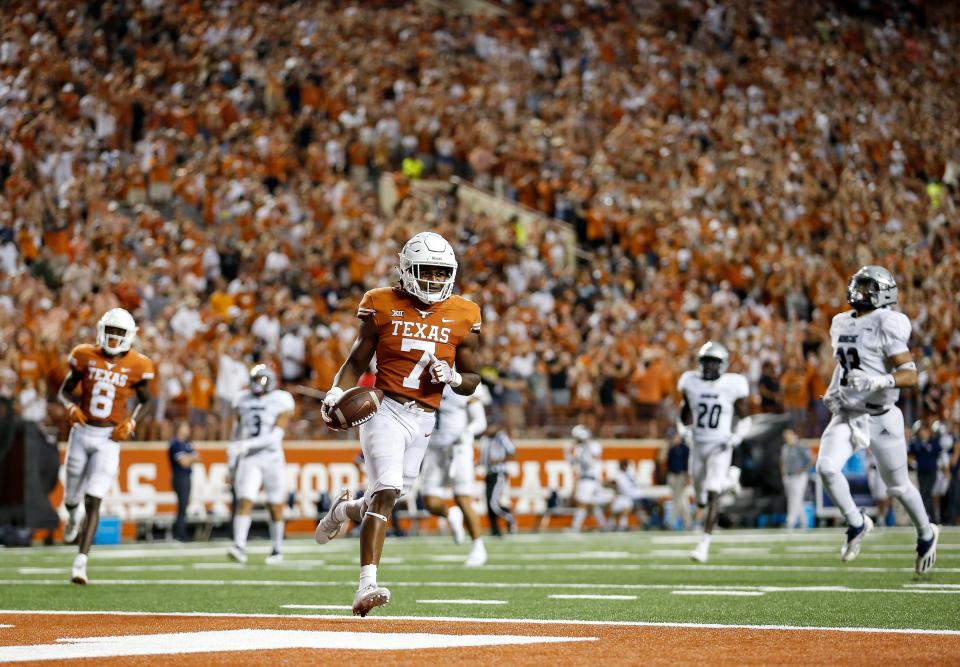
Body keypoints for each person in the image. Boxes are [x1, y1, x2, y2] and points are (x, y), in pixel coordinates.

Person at [314, 232, 482, 617]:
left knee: (383, 500)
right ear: (407, 270)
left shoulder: (464, 313)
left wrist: (454, 378)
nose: (434, 281)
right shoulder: (382, 302)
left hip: (425, 419)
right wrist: (335, 391)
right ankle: (366, 585)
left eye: (441, 274)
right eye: (427, 272)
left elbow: (473, 380)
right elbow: (357, 360)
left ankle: (341, 512)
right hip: (384, 409)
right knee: (386, 491)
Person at [815, 266, 938, 574]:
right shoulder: (841, 322)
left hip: (882, 417)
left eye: (868, 287)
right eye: (859, 285)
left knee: (897, 487)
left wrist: (879, 382)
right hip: (848, 413)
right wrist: (832, 391)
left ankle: (926, 533)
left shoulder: (887, 322)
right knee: (826, 468)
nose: (861, 292)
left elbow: (909, 374)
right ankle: (856, 523)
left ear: (884, 293)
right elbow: (843, 365)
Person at [58, 308, 154, 584]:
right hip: (81, 431)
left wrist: (132, 422)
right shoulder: (85, 355)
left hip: (110, 439)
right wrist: (70, 407)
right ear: (101, 330)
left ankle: (81, 562)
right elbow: (64, 391)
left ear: (130, 336)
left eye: (119, 332)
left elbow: (147, 400)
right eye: (110, 331)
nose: (113, 337)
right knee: (72, 497)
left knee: (95, 498)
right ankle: (72, 514)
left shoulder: (138, 364)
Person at [677, 341, 751, 563]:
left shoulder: (732, 384)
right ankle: (731, 482)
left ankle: (704, 544)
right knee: (700, 499)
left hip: (720, 446)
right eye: (706, 362)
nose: (709, 367)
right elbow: (683, 415)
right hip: (698, 445)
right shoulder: (690, 382)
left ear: (723, 364)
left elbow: (745, 417)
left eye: (714, 363)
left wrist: (736, 437)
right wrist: (684, 431)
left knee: (711, 493)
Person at [227, 364, 294, 565]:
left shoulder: (281, 399)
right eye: (255, 380)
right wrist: (232, 458)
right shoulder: (242, 399)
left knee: (275, 504)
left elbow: (275, 437)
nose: (258, 384)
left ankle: (277, 548)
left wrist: (245, 444)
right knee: (244, 500)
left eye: (262, 380)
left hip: (272, 457)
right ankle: (239, 546)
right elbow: (236, 431)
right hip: (250, 458)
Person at [421, 383, 489, 566]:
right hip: (434, 449)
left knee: (462, 498)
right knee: (429, 501)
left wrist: (467, 432)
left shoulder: (463, 381)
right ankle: (451, 514)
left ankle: (478, 547)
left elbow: (480, 421)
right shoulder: (424, 379)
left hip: (459, 449)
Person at [565, 424, 607, 532]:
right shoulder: (579, 448)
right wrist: (568, 454)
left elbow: (591, 461)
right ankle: (604, 525)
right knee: (592, 505)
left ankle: (575, 527)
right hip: (585, 478)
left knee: (582, 503)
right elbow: (573, 463)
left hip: (590, 478)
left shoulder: (594, 445)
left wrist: (582, 449)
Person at [479, 423, 517, 537]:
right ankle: (495, 530)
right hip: (489, 473)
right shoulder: (485, 439)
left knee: (493, 503)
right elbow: (484, 459)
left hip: (498, 473)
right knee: (488, 503)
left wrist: (499, 460)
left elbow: (513, 453)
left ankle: (510, 518)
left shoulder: (500, 437)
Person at [168, 421, 199, 541]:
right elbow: (184, 463)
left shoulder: (187, 443)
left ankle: (181, 532)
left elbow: (198, 458)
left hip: (186, 477)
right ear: (179, 428)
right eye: (185, 426)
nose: (188, 429)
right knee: (182, 505)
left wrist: (189, 458)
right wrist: (191, 457)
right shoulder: (175, 444)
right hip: (179, 477)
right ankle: (179, 533)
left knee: (185, 505)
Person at [908, 422, 942, 524]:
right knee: (925, 493)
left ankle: (925, 517)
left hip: (932, 472)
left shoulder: (934, 442)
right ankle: (933, 519)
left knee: (925, 493)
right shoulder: (916, 443)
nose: (923, 433)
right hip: (921, 472)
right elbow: (910, 455)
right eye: (922, 431)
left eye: (925, 431)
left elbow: (939, 453)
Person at [661, 427, 692, 530]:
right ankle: (687, 523)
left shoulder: (685, 448)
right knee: (682, 500)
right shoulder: (670, 448)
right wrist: (666, 445)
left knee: (677, 500)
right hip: (672, 476)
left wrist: (688, 477)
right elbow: (661, 459)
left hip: (681, 476)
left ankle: (670, 522)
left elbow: (688, 465)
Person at [780, 429, 811, 529]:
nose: (787, 439)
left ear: (794, 436)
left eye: (788, 436)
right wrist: (783, 473)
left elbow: (812, 459)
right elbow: (781, 461)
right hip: (788, 476)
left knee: (795, 499)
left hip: (799, 476)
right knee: (796, 500)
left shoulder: (799, 446)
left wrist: (802, 470)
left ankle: (790, 521)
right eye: (785, 437)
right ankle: (804, 522)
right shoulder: (785, 448)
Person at [607, 460, 645, 531]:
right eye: (624, 465)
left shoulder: (629, 474)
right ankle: (611, 525)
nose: (625, 466)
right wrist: (614, 488)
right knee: (616, 511)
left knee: (628, 508)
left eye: (626, 465)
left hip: (631, 496)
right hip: (623, 496)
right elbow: (611, 483)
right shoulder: (618, 475)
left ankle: (622, 525)